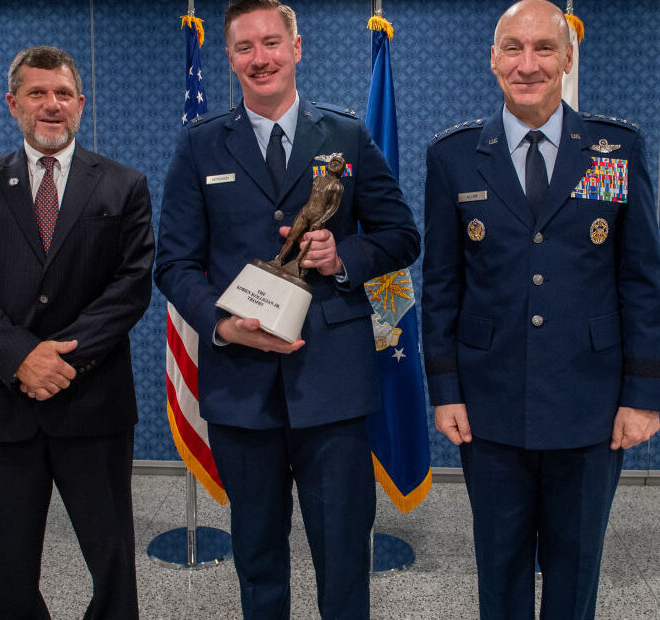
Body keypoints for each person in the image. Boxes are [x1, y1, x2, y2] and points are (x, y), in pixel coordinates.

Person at [155, 1, 420, 618]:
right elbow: (173, 263)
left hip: (333, 385)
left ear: (296, 49)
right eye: (244, 48)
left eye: (271, 43)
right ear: (229, 59)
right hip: (242, 388)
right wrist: (221, 325)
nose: (260, 58)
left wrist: (342, 254)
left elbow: (403, 235)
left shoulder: (347, 135)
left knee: (344, 556)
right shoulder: (198, 146)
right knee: (259, 556)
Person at [422, 1, 660, 619]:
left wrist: (642, 395)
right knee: (499, 567)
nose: (526, 64)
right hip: (489, 399)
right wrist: (444, 389)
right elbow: (442, 284)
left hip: (589, 402)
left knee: (576, 567)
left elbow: (641, 280)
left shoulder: (615, 150)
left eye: (542, 49)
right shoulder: (452, 157)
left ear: (566, 58)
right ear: (493, 58)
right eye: (512, 48)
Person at [0, 46, 154, 619]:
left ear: (81, 104)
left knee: (111, 557)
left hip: (94, 400)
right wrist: (21, 359)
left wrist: (60, 361)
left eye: (62, 94)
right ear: (13, 104)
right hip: (5, 402)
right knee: (10, 561)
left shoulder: (124, 185)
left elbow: (131, 287)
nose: (50, 105)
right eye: (36, 93)